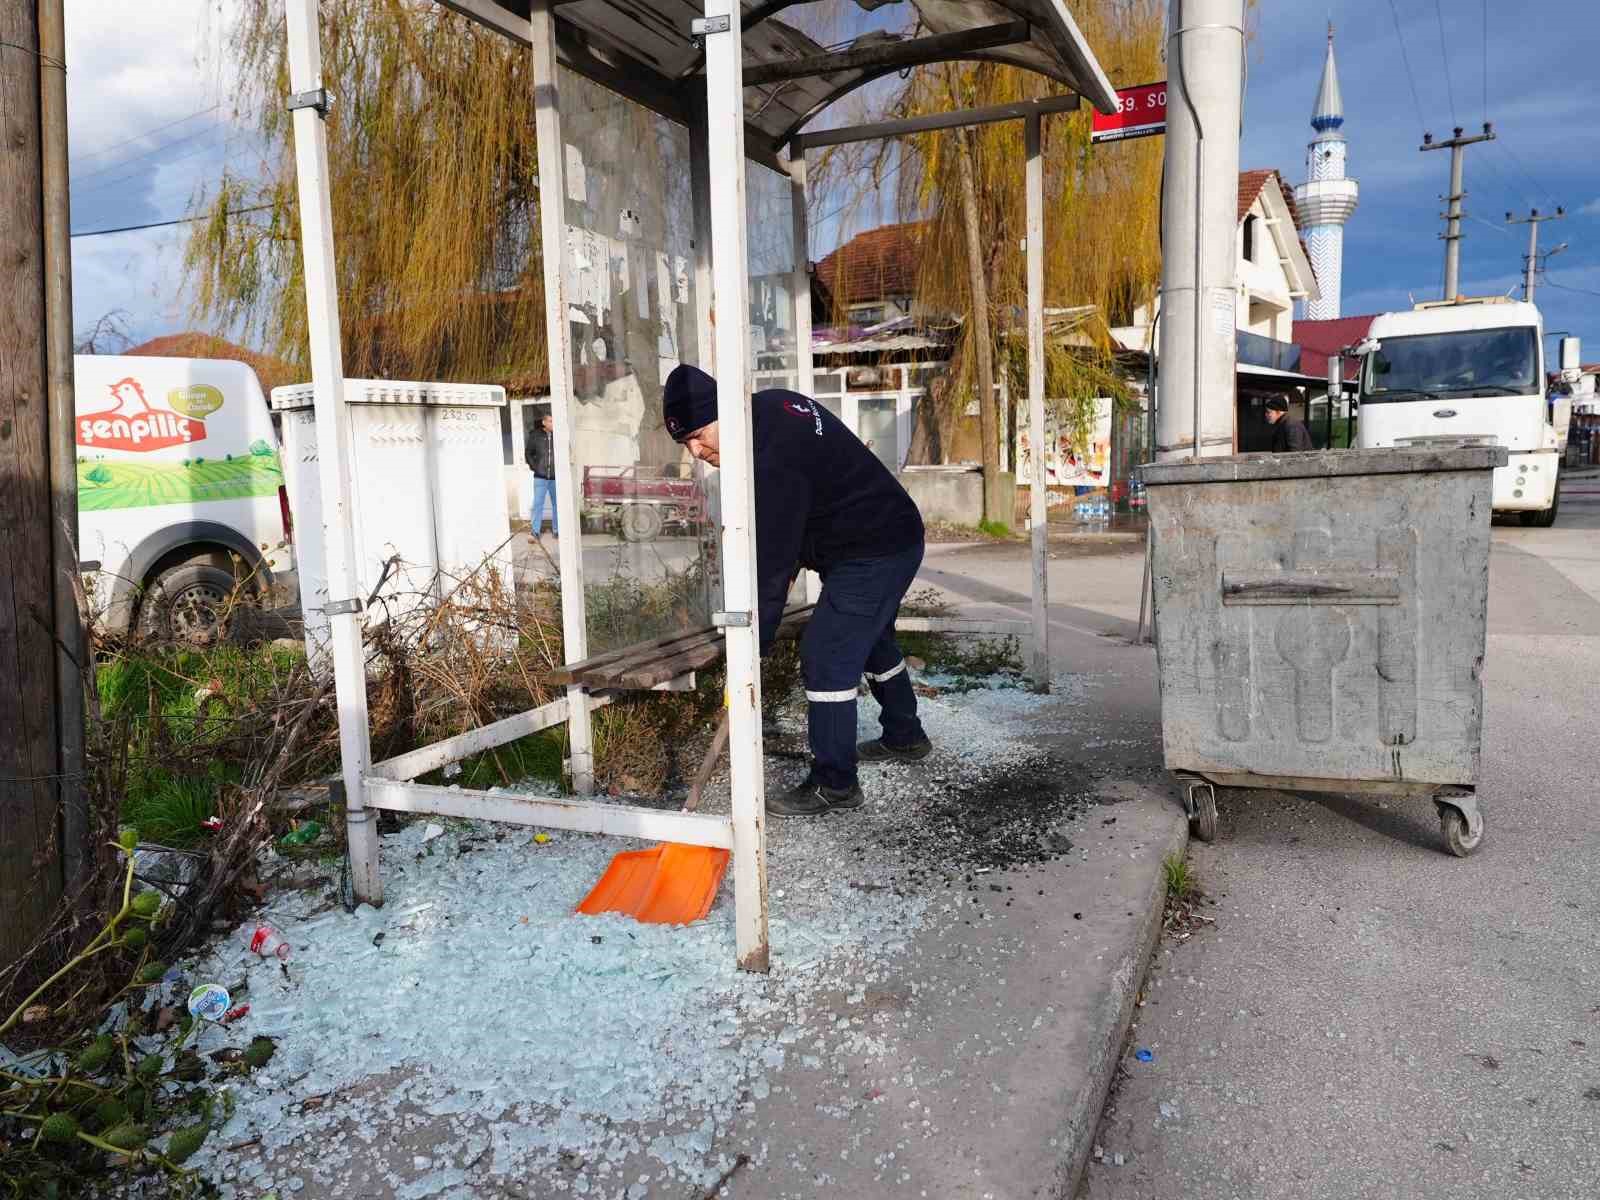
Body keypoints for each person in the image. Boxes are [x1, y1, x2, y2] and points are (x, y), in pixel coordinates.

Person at [662, 363, 932, 817]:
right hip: (885, 534)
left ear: (724, 411)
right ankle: (905, 736)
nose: (696, 450)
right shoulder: (770, 407)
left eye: (699, 434)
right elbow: (788, 545)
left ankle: (836, 783)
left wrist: (753, 644)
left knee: (826, 655)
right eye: (685, 442)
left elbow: (772, 567)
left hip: (874, 548)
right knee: (869, 639)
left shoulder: (771, 460)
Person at [525, 409, 558, 538]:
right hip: (541, 477)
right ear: (544, 422)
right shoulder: (535, 435)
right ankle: (535, 531)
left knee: (557, 505)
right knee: (537, 504)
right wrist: (535, 467)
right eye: (550, 421)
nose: (553, 423)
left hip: (555, 477)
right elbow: (528, 453)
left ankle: (557, 530)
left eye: (554, 421)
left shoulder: (558, 435)